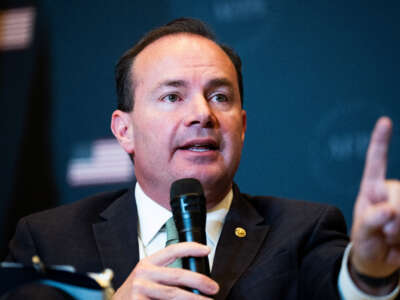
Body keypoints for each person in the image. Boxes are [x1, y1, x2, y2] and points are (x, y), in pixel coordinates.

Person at [5, 18, 400, 300]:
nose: (202, 114)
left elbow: (339, 287)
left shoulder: (303, 231)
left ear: (241, 126)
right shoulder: (48, 240)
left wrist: (369, 271)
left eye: (220, 97)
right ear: (124, 130)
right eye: (172, 96)